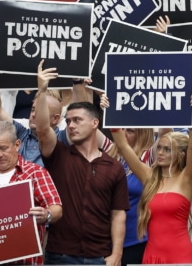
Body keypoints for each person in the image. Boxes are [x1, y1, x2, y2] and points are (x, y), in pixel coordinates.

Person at [35, 61, 129, 266]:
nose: (71, 125)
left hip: (100, 257)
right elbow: (42, 130)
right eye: (68, 121)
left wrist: (117, 254)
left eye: (77, 120)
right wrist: (42, 91)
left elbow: (118, 214)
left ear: (95, 123)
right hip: (60, 256)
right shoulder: (58, 154)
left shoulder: (114, 166)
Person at [108, 116, 192, 264]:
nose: (160, 153)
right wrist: (110, 112)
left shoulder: (187, 180)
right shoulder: (150, 178)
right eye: (159, 147)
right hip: (151, 254)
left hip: (180, 255)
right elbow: (123, 146)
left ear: (180, 155)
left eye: (167, 149)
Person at [0, 120, 63, 266]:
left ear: (17, 145)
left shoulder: (35, 173)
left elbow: (57, 208)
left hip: (23, 261)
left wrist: (46, 214)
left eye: (3, 148)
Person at [106, 127, 155, 266]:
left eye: (130, 131)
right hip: (105, 238)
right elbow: (88, 124)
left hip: (136, 239)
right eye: (121, 129)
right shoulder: (110, 154)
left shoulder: (150, 157)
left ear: (142, 134)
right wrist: (108, 110)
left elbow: (166, 131)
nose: (122, 133)